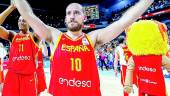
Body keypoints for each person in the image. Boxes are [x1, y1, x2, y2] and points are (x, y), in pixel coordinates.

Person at [13, 0, 154, 95]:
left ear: (84, 18)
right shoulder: (55, 36)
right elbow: (28, 15)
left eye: (76, 13)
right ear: (65, 19)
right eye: (69, 13)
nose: (72, 16)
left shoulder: (93, 37)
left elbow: (124, 21)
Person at [0, 16, 46, 96]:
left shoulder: (34, 37)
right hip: (12, 75)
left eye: (24, 20)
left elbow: (43, 28)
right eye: (19, 20)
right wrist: (10, 8)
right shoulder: (12, 36)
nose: (21, 22)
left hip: (28, 77)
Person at [124, 20, 170, 96]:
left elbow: (129, 70)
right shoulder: (159, 57)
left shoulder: (133, 58)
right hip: (157, 87)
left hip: (143, 86)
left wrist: (128, 85)